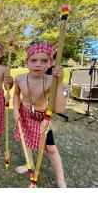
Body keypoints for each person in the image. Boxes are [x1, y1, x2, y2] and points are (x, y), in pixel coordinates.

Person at [13, 43, 67, 187]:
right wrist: (15, 109)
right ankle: (29, 163)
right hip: (24, 113)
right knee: (26, 140)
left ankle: (61, 181)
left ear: (51, 63)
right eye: (34, 60)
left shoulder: (51, 81)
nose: (38, 65)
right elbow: (17, 94)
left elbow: (59, 109)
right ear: (26, 62)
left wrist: (60, 82)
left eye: (44, 61)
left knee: (50, 148)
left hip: (43, 117)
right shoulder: (19, 78)